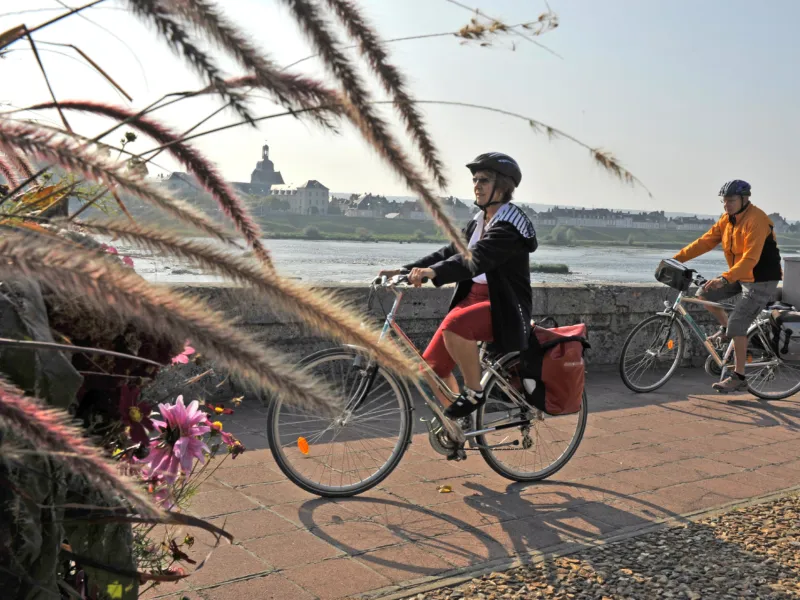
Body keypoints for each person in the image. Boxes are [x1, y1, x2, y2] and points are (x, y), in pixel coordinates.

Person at [378, 152, 538, 419]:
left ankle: (474, 393)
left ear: (503, 186)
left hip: (503, 306)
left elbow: (477, 258)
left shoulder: (510, 226)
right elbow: (449, 253)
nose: (476, 185)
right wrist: (407, 270)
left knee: (455, 328)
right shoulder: (479, 222)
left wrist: (433, 273)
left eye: (484, 180)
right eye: (475, 180)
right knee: (430, 370)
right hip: (472, 300)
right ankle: (460, 425)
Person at [672, 179, 782, 393]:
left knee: (738, 324)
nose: (726, 205)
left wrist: (724, 278)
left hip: (761, 280)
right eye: (724, 201)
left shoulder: (757, 220)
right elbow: (704, 242)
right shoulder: (727, 220)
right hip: (740, 276)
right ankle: (725, 329)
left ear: (744, 199)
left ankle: (739, 376)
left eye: (731, 200)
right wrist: (676, 260)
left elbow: (750, 260)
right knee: (703, 292)